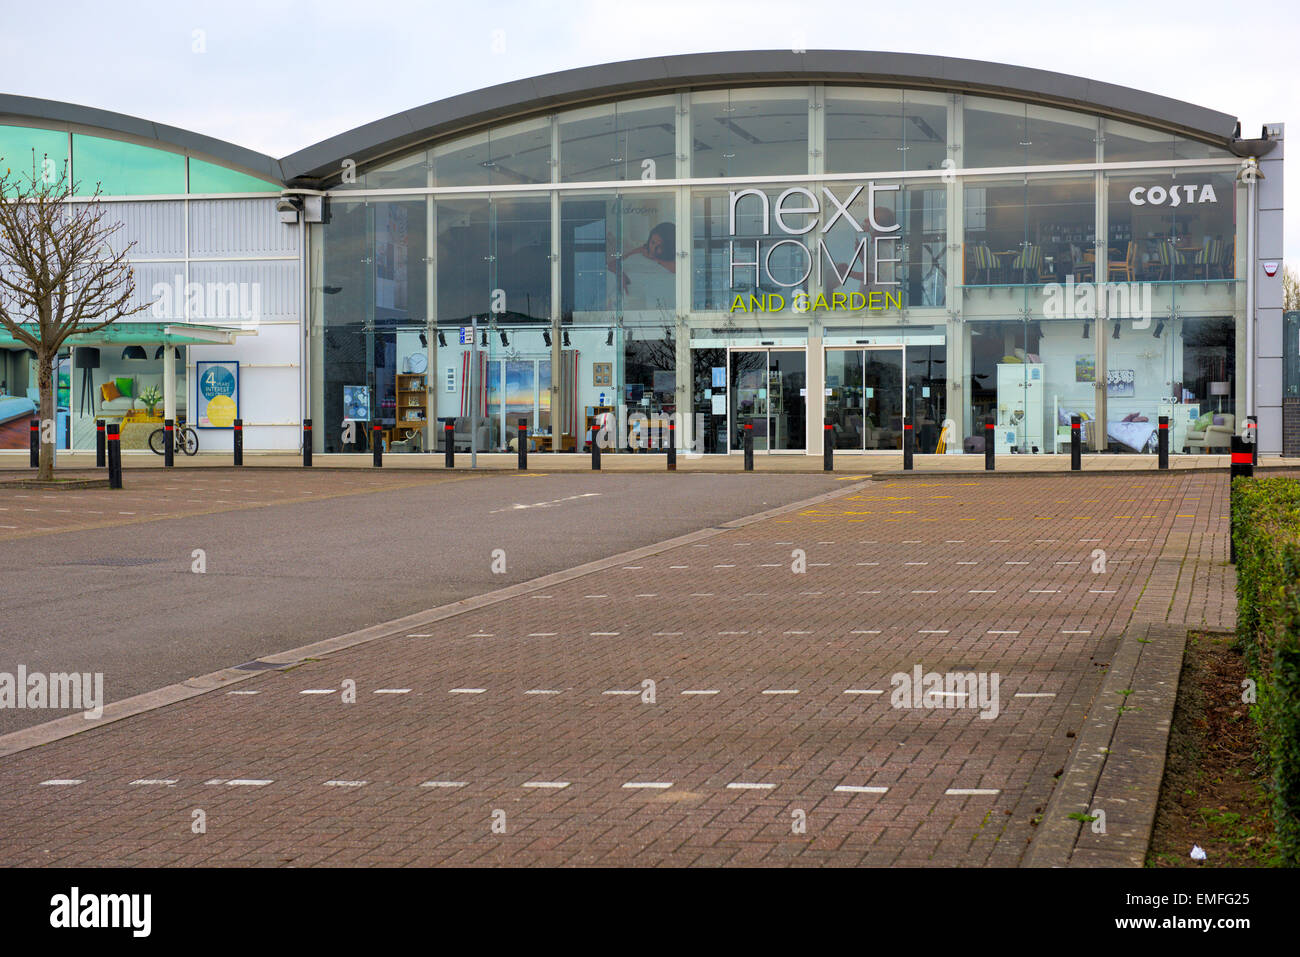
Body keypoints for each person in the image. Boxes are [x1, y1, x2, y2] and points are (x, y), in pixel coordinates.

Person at [610, 222, 675, 311]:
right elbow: (613, 263)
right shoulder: (642, 250)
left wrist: (655, 259)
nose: (653, 248)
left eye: (659, 246)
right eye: (652, 243)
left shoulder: (674, 261)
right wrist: (621, 275)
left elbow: (677, 269)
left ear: (668, 247)